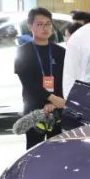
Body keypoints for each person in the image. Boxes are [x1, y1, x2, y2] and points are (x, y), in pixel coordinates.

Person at [15, 8, 66, 150]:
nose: (45, 28)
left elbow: (64, 80)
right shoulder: (22, 52)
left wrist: (55, 102)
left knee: (56, 150)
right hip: (34, 109)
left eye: (48, 24)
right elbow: (28, 82)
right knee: (34, 150)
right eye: (40, 24)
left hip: (57, 109)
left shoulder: (60, 52)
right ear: (30, 26)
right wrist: (50, 98)